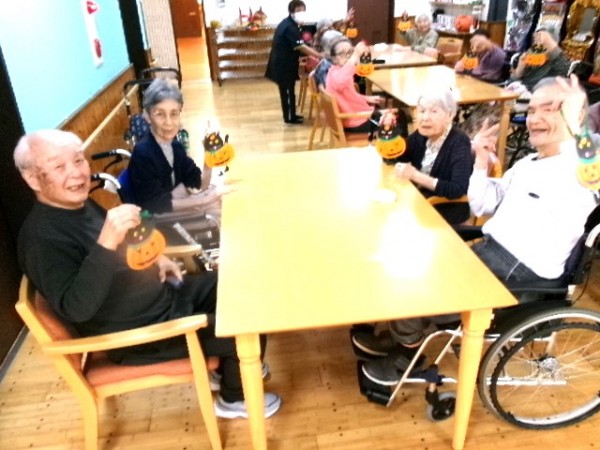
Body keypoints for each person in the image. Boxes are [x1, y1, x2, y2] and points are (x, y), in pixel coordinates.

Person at [14, 129, 282, 418]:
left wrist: (157, 257)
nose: (77, 173)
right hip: (142, 335)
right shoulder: (41, 240)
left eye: (78, 160)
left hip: (160, 295)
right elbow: (76, 308)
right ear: (32, 179)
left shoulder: (77, 204)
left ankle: (231, 369)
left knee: (237, 285)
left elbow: (122, 244)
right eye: (58, 166)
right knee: (246, 326)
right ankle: (234, 398)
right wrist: (106, 243)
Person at [354, 76, 598, 385]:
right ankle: (405, 336)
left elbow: (594, 175)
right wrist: (481, 162)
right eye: (532, 110)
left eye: (551, 109)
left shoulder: (581, 168)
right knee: (405, 259)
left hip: (521, 275)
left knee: (416, 283)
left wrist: (580, 130)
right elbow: (484, 205)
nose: (535, 118)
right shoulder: (528, 163)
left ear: (575, 116)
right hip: (490, 251)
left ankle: (407, 354)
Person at [128, 79, 222, 218]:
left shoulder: (175, 146)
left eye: (174, 114)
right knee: (219, 211)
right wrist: (202, 201)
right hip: (155, 217)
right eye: (160, 114)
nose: (169, 122)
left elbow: (200, 184)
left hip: (173, 204)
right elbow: (156, 203)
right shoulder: (142, 153)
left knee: (221, 199)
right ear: (147, 116)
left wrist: (209, 158)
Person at [389, 89, 474, 224]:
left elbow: (457, 189)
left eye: (434, 111)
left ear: (449, 115)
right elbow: (398, 156)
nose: (425, 118)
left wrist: (416, 176)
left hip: (442, 212)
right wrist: (388, 133)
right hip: (418, 201)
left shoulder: (459, 142)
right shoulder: (422, 134)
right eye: (422, 111)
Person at [265, 0, 323, 124]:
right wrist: (319, 55)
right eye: (298, 10)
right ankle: (289, 118)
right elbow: (300, 46)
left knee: (289, 90)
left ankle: (292, 115)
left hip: (287, 63)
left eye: (303, 10)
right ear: (291, 12)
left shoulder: (289, 23)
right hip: (283, 65)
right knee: (287, 91)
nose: (301, 13)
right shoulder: (290, 27)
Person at [326, 38, 385, 133]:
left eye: (350, 52)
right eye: (342, 54)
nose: (348, 57)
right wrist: (354, 56)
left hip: (355, 117)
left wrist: (367, 98)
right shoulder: (336, 74)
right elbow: (340, 82)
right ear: (334, 59)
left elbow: (348, 96)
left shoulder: (337, 71)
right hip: (355, 122)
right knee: (398, 116)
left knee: (386, 111)